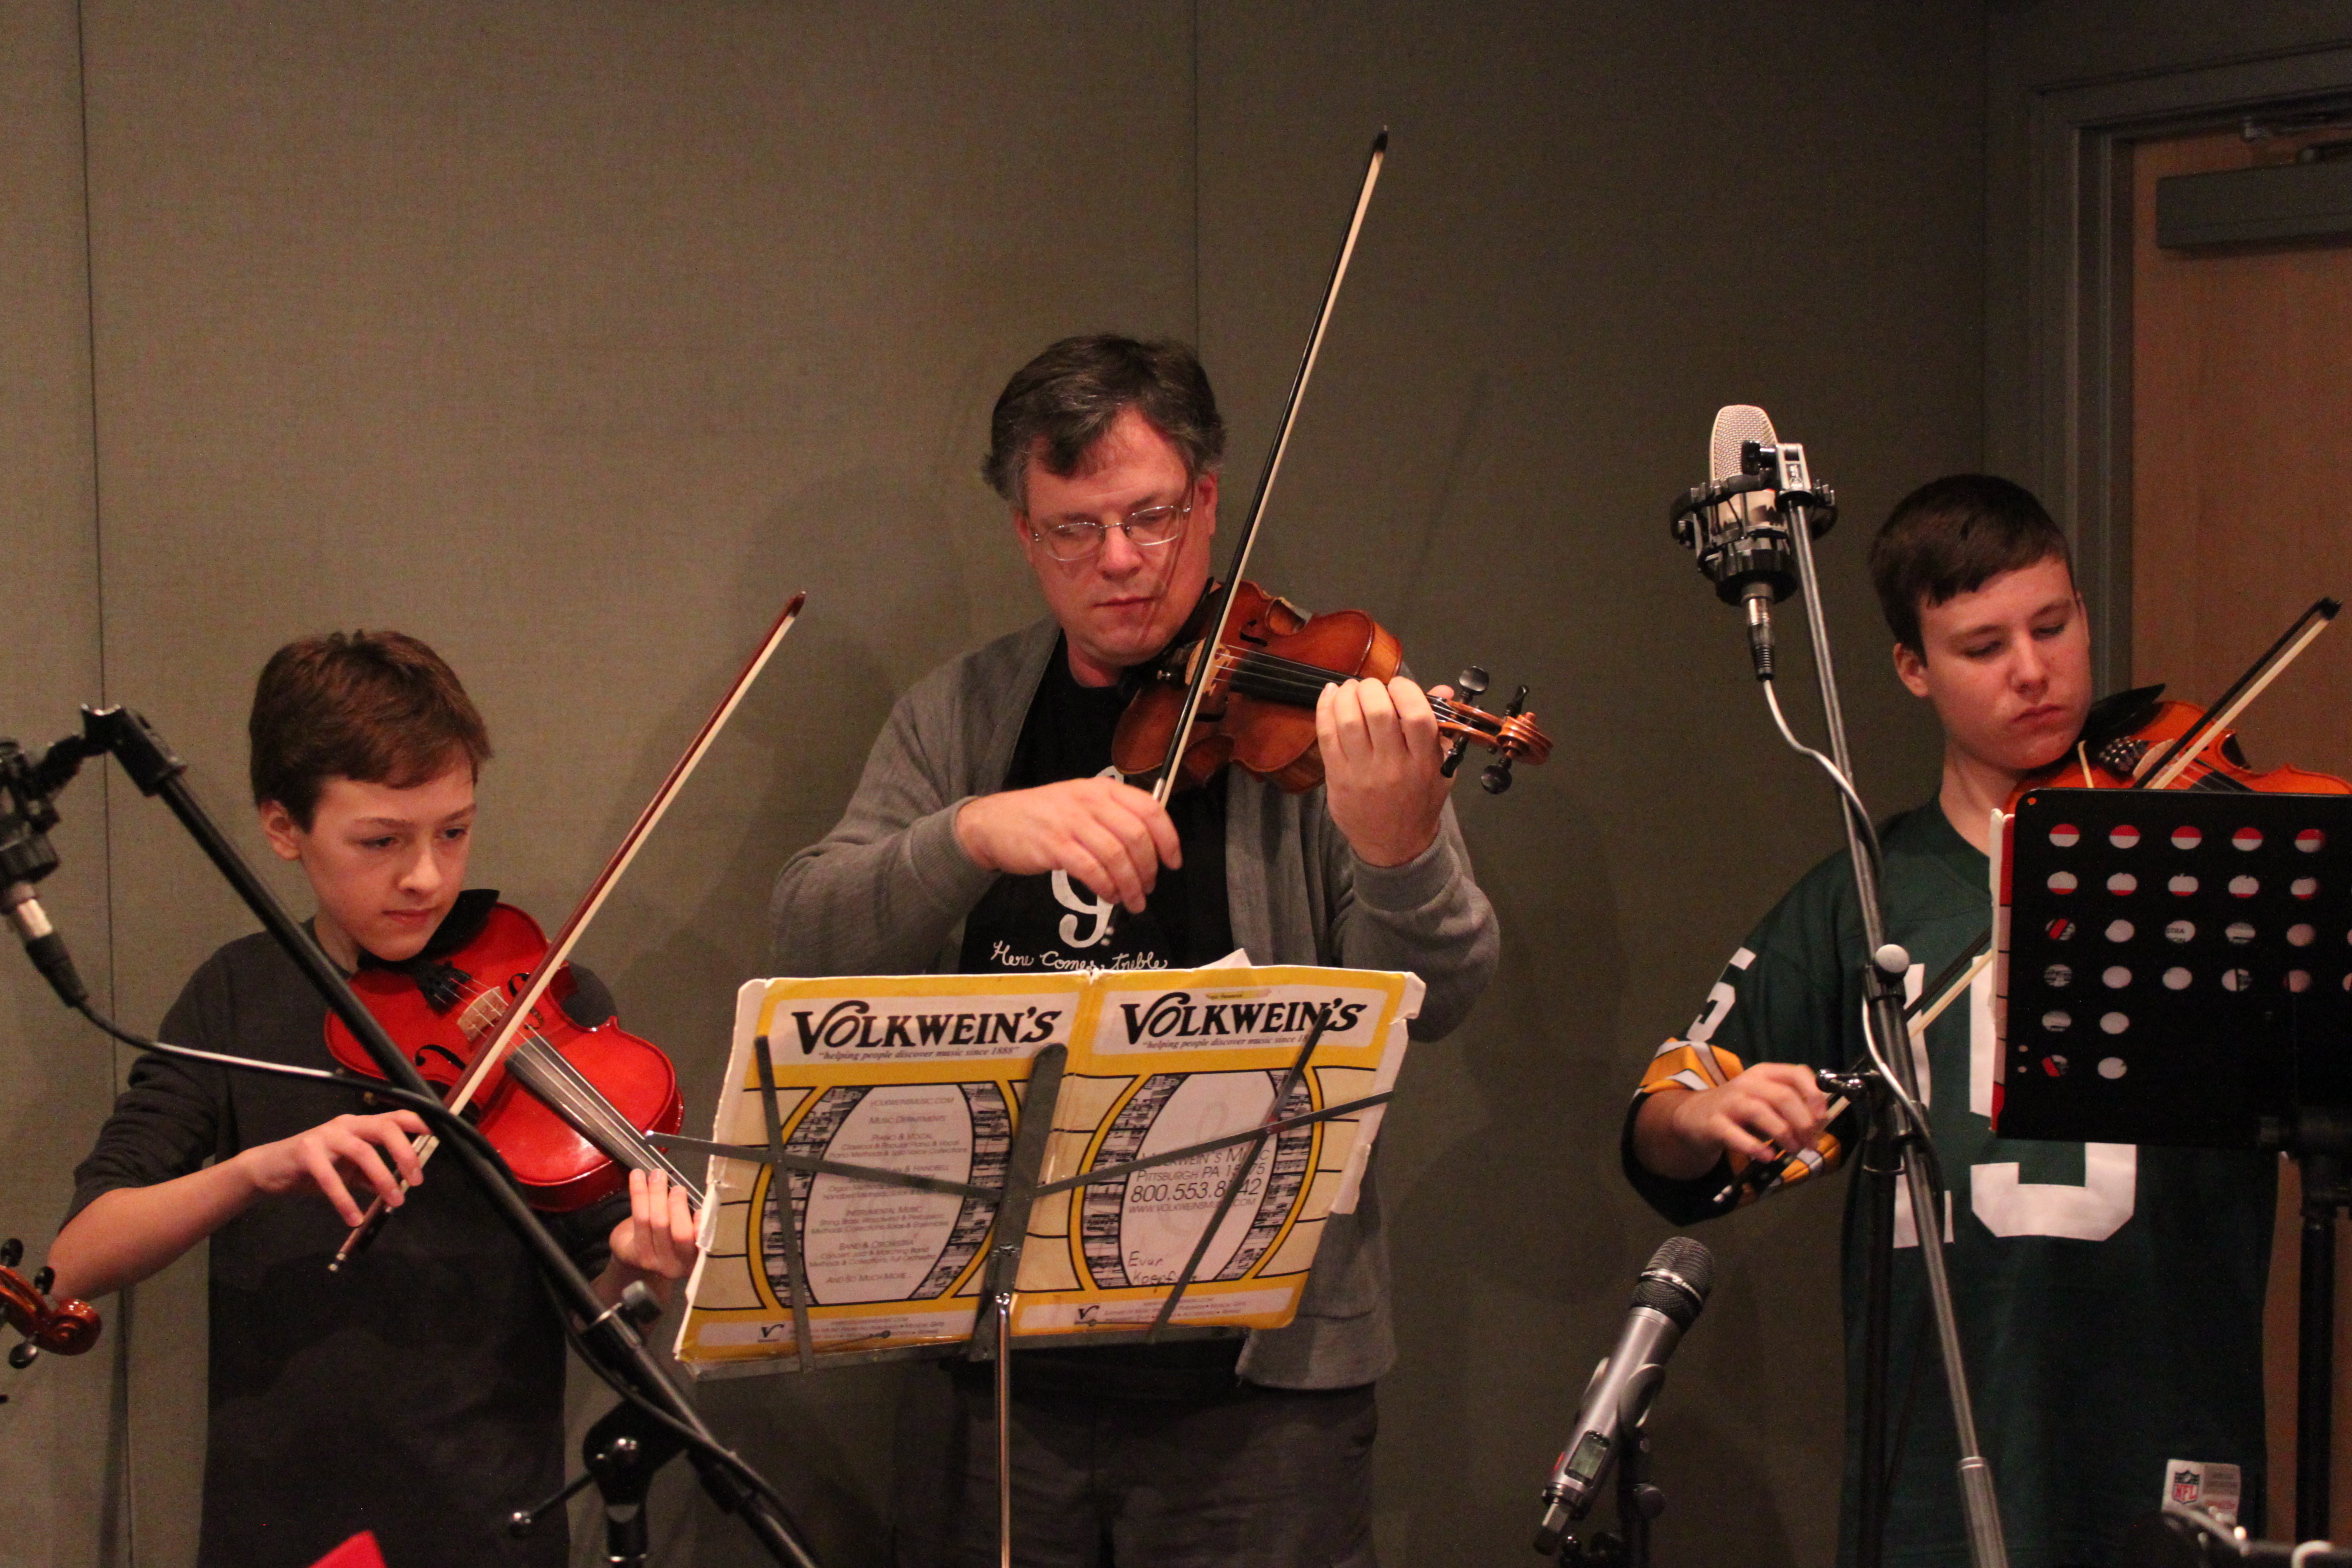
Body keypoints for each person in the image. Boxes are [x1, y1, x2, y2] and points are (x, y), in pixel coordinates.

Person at [770, 333, 1498, 1566]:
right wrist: (971, 833)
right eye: (1073, 528)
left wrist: (1397, 852)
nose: (1118, 560)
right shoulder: (958, 715)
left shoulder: (1317, 709)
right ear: (1023, 532)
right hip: (996, 1372)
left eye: (1150, 516)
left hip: (1258, 1393)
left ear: (1208, 500)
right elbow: (807, 931)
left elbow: (1444, 992)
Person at [1623, 475, 2274, 1566]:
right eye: (1983, 646)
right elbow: (1659, 1129)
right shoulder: (1868, 895)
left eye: (2054, 625)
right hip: (1937, 1453)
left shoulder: (2201, 847)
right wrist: (1706, 1111)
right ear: (1913, 669)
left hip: (2170, 1423)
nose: (2034, 670)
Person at [49, 630, 701, 1568]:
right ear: (283, 828)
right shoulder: (234, 997)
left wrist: (639, 1270)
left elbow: (594, 1305)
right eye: (381, 841)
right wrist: (254, 1171)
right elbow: (74, 1260)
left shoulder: (549, 997)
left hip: (493, 1516)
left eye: (454, 830)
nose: (427, 876)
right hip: (283, 1524)